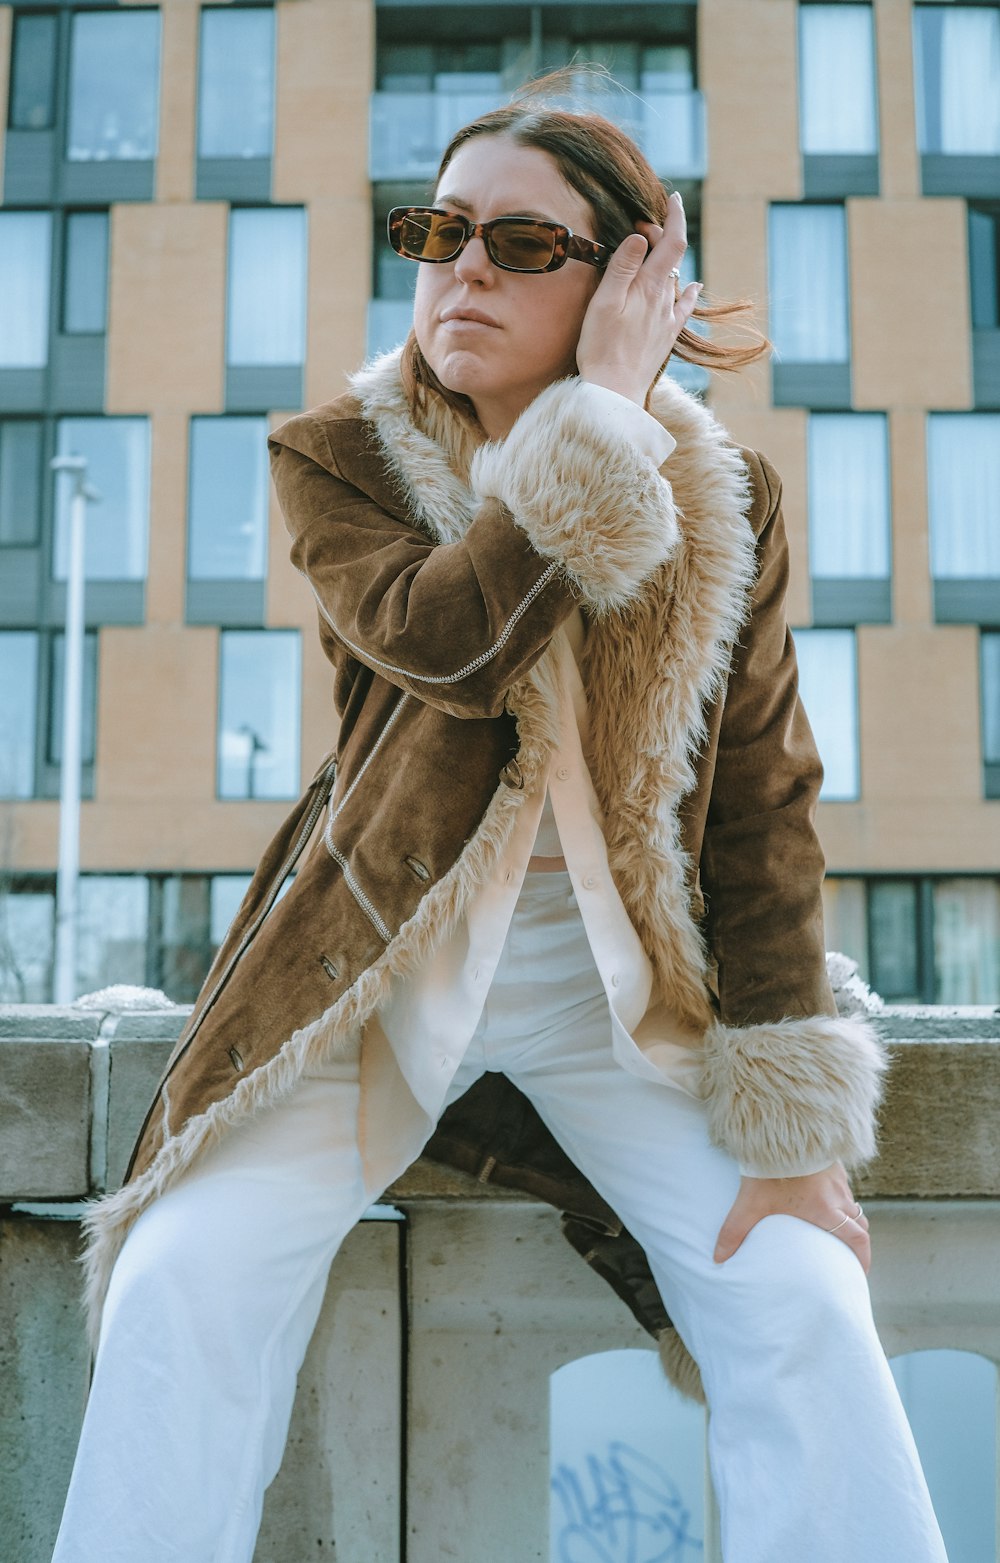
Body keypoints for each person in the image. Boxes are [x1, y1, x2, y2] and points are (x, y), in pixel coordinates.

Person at [53, 87, 949, 1563]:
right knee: (178, 1280)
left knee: (798, 1290)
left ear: (625, 281)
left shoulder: (730, 500)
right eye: (439, 230)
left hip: (621, 992)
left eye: (522, 241)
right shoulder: (341, 455)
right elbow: (452, 643)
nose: (463, 267)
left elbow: (763, 800)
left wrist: (792, 1123)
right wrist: (595, 422)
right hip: (374, 974)